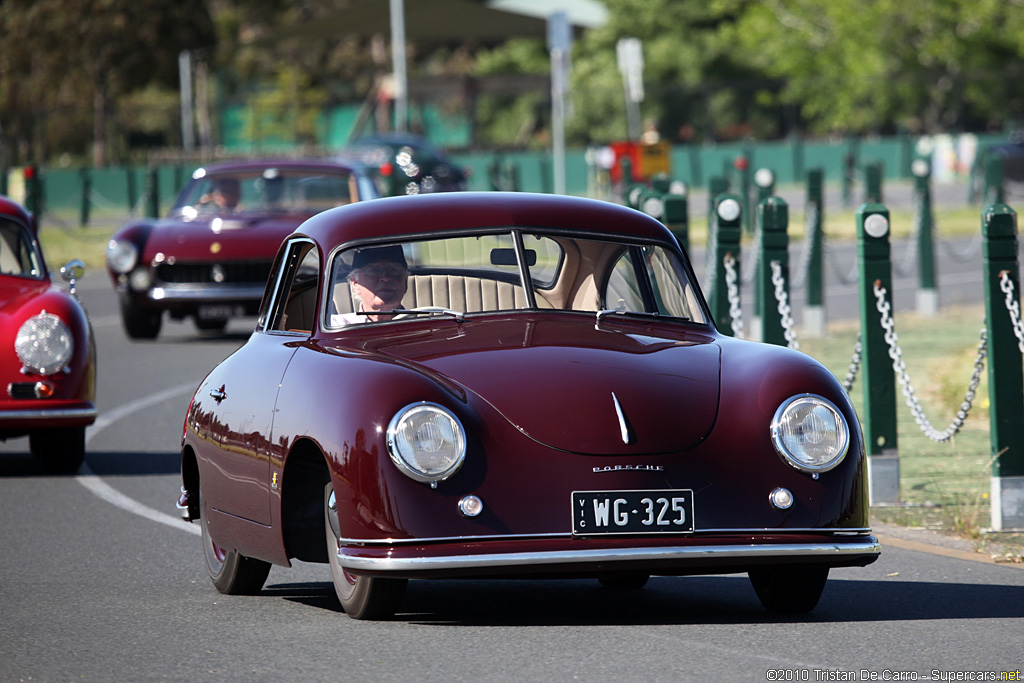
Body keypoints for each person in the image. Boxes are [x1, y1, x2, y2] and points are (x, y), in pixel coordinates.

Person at [332, 245, 409, 325]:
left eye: (394, 270)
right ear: (355, 283)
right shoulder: (338, 326)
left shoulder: (420, 323)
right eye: (374, 270)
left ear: (405, 282)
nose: (386, 278)